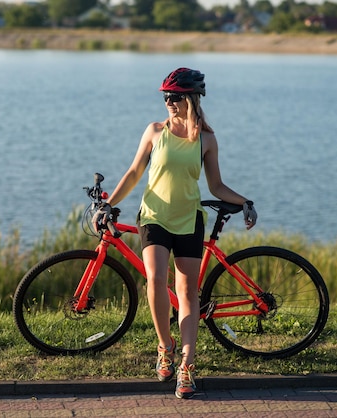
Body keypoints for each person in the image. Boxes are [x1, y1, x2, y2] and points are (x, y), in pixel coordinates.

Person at [92, 67, 257, 399]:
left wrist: (246, 202)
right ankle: (164, 347)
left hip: (189, 219)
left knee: (187, 293)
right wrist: (108, 203)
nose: (168, 101)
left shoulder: (206, 140)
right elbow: (134, 171)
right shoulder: (155, 131)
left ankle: (187, 366)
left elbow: (216, 185)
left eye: (175, 96)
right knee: (154, 279)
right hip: (154, 216)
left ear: (192, 99)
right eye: (165, 96)